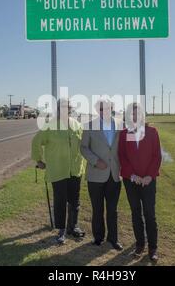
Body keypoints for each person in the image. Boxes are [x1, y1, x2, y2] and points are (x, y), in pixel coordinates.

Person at [31, 98, 86, 244]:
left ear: (70, 109)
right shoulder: (50, 126)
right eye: (62, 107)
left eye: (67, 107)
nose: (65, 109)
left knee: (75, 201)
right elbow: (36, 142)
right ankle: (61, 229)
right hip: (58, 170)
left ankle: (73, 227)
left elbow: (84, 145)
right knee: (60, 201)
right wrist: (39, 160)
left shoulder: (77, 125)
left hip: (75, 170)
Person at [118, 102, 162, 262]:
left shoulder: (151, 132)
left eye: (138, 113)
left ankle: (153, 248)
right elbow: (122, 157)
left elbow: (156, 156)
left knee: (150, 214)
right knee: (136, 213)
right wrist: (132, 175)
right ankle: (140, 244)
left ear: (143, 115)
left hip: (148, 181)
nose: (135, 117)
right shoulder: (124, 134)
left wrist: (149, 176)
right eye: (132, 114)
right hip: (131, 181)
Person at [80, 98, 124, 251]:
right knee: (97, 208)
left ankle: (113, 239)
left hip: (114, 174)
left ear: (111, 108)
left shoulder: (120, 124)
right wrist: (95, 161)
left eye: (106, 108)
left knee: (112, 209)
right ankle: (98, 237)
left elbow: (124, 147)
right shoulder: (89, 125)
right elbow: (84, 148)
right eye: (100, 108)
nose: (103, 111)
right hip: (95, 175)